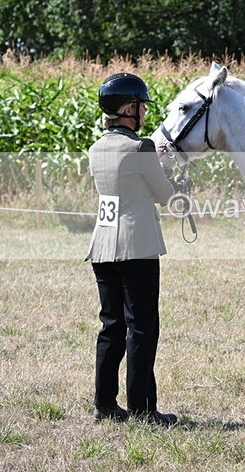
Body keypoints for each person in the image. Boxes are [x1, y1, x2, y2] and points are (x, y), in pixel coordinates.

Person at [85, 72, 178, 426]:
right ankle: (142, 409)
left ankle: (105, 404)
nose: (143, 113)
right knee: (142, 329)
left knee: (111, 326)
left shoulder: (96, 149)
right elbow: (165, 196)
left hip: (102, 245)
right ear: (128, 109)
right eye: (140, 106)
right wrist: (169, 173)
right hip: (136, 247)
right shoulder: (141, 148)